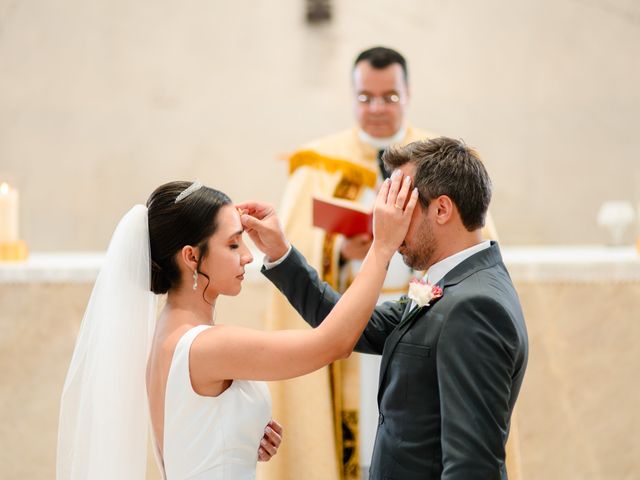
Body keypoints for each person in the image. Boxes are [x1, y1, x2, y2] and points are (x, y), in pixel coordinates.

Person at [56, 175, 417, 480]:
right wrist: (382, 248)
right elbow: (332, 344)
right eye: (232, 244)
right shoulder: (207, 346)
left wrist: (243, 435)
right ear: (191, 257)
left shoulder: (169, 333)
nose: (247, 255)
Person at [267, 46, 499, 479]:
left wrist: (392, 248)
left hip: (416, 311)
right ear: (352, 96)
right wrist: (333, 253)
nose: (376, 108)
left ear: (408, 94)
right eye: (365, 97)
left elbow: (468, 245)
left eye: (389, 97)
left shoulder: (444, 166)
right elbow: (339, 318)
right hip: (364, 322)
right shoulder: (316, 163)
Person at [243, 137, 528, 479]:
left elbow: (472, 467)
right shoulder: (452, 287)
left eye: (399, 206)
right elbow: (345, 322)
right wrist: (280, 252)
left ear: (441, 209)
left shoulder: (475, 307)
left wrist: (381, 247)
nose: (386, 221)